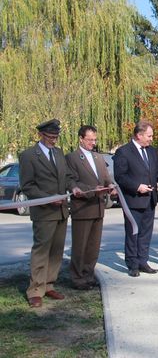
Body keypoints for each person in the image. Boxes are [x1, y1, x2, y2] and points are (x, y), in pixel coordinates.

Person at [19, 119, 82, 307]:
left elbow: (67, 177)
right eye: (50, 137)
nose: (53, 140)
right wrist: (49, 198)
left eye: (56, 137)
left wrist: (75, 187)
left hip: (62, 210)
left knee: (56, 251)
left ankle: (48, 285)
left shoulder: (59, 153)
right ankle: (35, 290)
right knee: (41, 251)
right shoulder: (28, 156)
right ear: (40, 135)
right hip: (44, 212)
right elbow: (27, 186)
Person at [114, 120, 158, 277]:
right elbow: (120, 176)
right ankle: (132, 264)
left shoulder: (152, 151)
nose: (152, 139)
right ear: (139, 135)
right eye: (149, 136)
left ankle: (142, 261)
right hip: (133, 200)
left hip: (150, 199)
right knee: (133, 232)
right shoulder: (124, 152)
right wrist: (137, 186)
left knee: (146, 232)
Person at [66, 125, 115, 290]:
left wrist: (112, 186)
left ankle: (88, 275)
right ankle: (77, 278)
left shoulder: (98, 158)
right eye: (90, 140)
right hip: (82, 208)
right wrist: (84, 190)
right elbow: (71, 181)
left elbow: (107, 178)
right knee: (80, 246)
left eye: (95, 139)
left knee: (93, 246)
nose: (93, 143)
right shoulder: (72, 158)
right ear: (81, 139)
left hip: (98, 207)